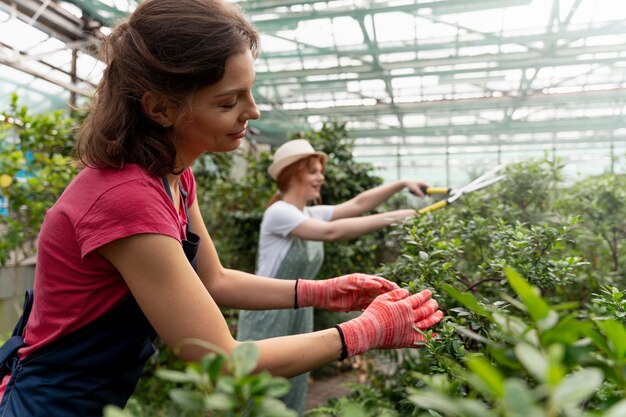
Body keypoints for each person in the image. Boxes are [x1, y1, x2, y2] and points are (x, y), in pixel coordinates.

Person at [0, 1, 443, 416]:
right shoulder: (124, 199)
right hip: (48, 403)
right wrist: (364, 332)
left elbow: (214, 280)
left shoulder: (172, 175)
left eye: (249, 93)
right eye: (228, 102)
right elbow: (223, 360)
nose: (252, 112)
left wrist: (323, 291)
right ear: (161, 108)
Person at [237, 139, 432, 414]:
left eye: (320, 171)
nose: (321, 177)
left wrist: (401, 184)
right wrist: (394, 218)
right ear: (293, 173)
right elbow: (332, 232)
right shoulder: (279, 213)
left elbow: (359, 204)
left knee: (291, 389)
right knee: (257, 389)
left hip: (297, 311)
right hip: (267, 313)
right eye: (314, 171)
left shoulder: (309, 213)